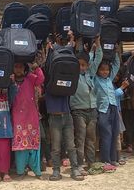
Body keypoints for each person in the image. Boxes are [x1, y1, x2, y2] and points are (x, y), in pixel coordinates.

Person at [44, 34, 84, 181]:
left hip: (67, 116)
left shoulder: (68, 82)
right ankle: (56, 171)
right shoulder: (49, 82)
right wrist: (48, 51)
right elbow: (48, 66)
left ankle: (75, 170)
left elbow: (70, 59)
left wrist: (72, 40)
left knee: (71, 145)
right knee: (55, 147)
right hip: (54, 118)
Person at [69, 36, 102, 175]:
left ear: (87, 66)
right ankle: (79, 164)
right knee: (80, 138)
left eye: (83, 65)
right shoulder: (72, 76)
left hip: (92, 110)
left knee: (91, 138)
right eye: (79, 65)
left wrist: (98, 42)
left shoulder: (90, 74)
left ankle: (91, 163)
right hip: (78, 111)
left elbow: (98, 57)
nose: (81, 67)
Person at [11, 62, 44, 180]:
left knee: (34, 146)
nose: (18, 69)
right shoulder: (10, 81)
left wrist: (36, 67)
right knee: (20, 146)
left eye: (20, 66)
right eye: (16, 66)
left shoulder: (30, 78)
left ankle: (37, 171)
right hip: (17, 118)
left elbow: (40, 79)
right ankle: (20, 171)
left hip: (31, 117)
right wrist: (11, 82)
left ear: (25, 69)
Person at [95, 48, 121, 172]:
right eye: (102, 70)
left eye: (106, 70)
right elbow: (92, 65)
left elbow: (116, 64)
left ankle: (113, 158)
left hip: (114, 108)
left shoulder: (109, 79)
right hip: (102, 110)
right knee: (106, 135)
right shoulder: (94, 80)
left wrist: (115, 52)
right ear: (98, 70)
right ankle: (105, 160)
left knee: (115, 133)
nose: (105, 72)